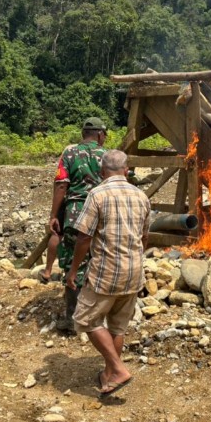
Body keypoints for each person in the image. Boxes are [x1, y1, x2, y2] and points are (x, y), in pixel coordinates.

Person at [66, 150, 150, 397]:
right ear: (127, 170)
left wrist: (73, 271)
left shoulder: (97, 194)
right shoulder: (141, 196)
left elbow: (84, 237)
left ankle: (118, 368)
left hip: (106, 271)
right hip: (134, 271)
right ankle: (109, 375)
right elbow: (144, 237)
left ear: (102, 172)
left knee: (85, 319)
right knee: (118, 326)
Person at [48, 117, 107, 332]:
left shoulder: (69, 154)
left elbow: (61, 185)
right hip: (102, 214)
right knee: (100, 260)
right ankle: (97, 317)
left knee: (74, 262)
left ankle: (73, 317)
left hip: (75, 214)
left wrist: (54, 214)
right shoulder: (107, 156)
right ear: (100, 135)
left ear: (83, 134)